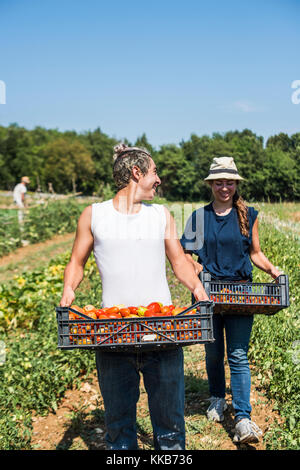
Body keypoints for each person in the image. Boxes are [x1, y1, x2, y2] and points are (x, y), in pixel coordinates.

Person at [59, 143, 209, 450]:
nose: (159, 180)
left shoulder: (161, 215)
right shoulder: (94, 215)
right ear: (136, 172)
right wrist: (69, 290)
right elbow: (77, 262)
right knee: (119, 430)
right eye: (154, 172)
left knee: (170, 429)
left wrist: (197, 288)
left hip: (163, 333)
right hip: (112, 334)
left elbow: (179, 261)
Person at [180, 156, 281, 445]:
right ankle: (216, 398)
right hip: (207, 292)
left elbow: (255, 253)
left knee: (237, 353)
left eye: (229, 182)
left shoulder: (248, 215)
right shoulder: (199, 217)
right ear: (211, 184)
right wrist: (197, 268)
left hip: (240, 293)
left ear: (236, 184)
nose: (224, 187)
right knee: (213, 352)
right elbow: (185, 254)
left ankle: (243, 417)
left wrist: (273, 270)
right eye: (219, 182)